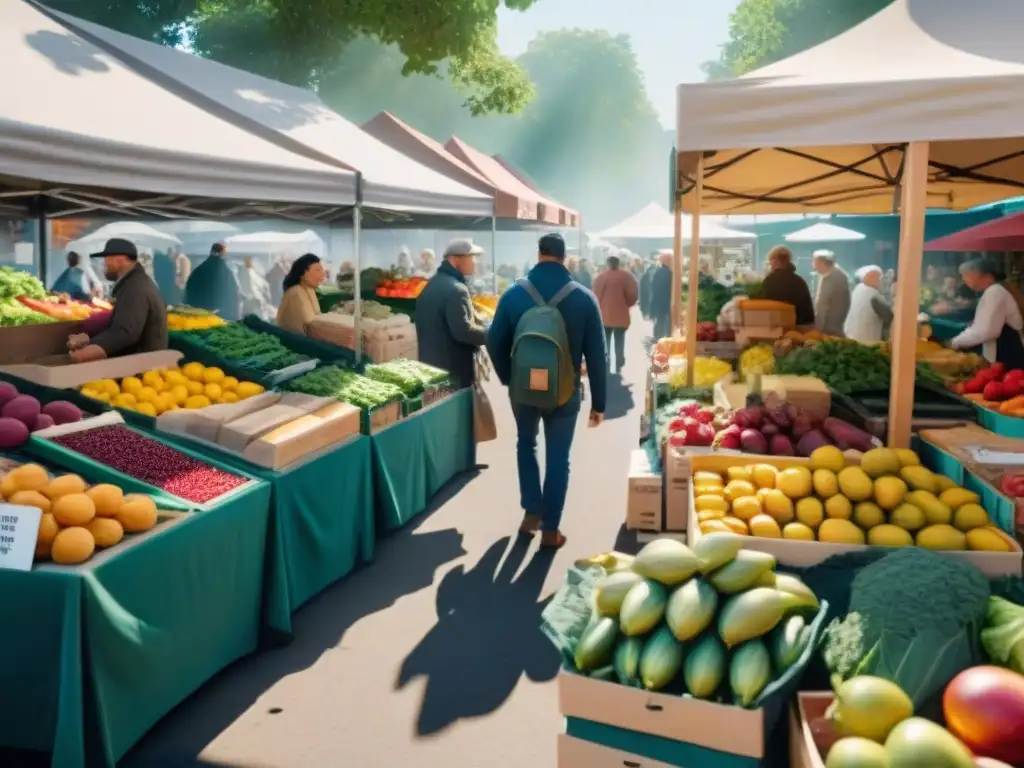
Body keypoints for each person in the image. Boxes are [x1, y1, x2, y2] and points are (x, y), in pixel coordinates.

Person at [487, 233, 606, 550]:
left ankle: (531, 512)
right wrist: (599, 403)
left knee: (526, 444)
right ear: (565, 258)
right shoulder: (583, 298)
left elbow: (493, 340)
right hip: (565, 393)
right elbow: (597, 355)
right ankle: (551, 530)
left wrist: (509, 378)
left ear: (538, 254)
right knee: (559, 458)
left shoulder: (513, 295)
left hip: (523, 390)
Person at [67, 238, 167, 362]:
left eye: (107, 258)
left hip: (143, 370)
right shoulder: (135, 283)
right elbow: (122, 325)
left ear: (120, 259)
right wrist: (90, 340)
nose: (104, 264)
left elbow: (125, 333)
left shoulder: (135, 289)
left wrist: (92, 350)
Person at [415, 238, 488, 389]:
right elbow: (463, 331)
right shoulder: (456, 289)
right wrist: (493, 335)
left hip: (431, 368)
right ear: (456, 259)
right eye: (471, 257)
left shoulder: (434, 283)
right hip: (453, 373)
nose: (475, 262)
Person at [950, 257, 1024, 366]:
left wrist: (955, 342)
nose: (964, 280)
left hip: (1008, 354)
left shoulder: (995, 292)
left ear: (980, 274)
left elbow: (987, 331)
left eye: (965, 275)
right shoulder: (997, 289)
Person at [593, 254, 638, 373]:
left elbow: (595, 296)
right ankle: (619, 361)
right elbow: (633, 296)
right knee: (619, 339)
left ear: (608, 264)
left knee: (605, 340)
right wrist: (626, 304)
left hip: (604, 315)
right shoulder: (627, 276)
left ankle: (606, 361)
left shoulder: (601, 277)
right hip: (621, 314)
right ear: (618, 264)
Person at [184, 242, 240, 320]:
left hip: (198, 313)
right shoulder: (226, 273)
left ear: (211, 251)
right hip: (219, 315)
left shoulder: (199, 270)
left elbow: (189, 290)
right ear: (222, 253)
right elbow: (232, 295)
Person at [762, 245, 815, 327]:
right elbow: (808, 313)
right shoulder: (799, 281)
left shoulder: (769, 281)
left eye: (770, 262)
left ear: (774, 261)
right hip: (801, 328)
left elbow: (763, 308)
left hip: (775, 329)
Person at [276, 254, 325, 334]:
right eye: (317, 270)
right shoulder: (296, 293)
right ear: (303, 273)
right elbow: (309, 326)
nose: (322, 274)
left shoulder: (309, 289)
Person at [844, 265, 892, 344]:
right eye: (878, 277)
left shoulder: (857, 290)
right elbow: (888, 315)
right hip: (867, 340)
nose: (880, 280)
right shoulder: (873, 294)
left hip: (851, 337)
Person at [811, 250, 850, 337]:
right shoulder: (825, 275)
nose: (813, 266)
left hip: (831, 329)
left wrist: (820, 328)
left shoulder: (837, 278)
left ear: (822, 263)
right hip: (824, 328)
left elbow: (825, 304)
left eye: (814, 262)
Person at [649, 252, 674, 339]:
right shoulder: (669, 273)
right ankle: (661, 339)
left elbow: (653, 287)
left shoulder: (658, 272)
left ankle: (657, 338)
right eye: (671, 260)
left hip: (658, 300)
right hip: (667, 301)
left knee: (660, 321)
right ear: (668, 261)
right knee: (665, 322)